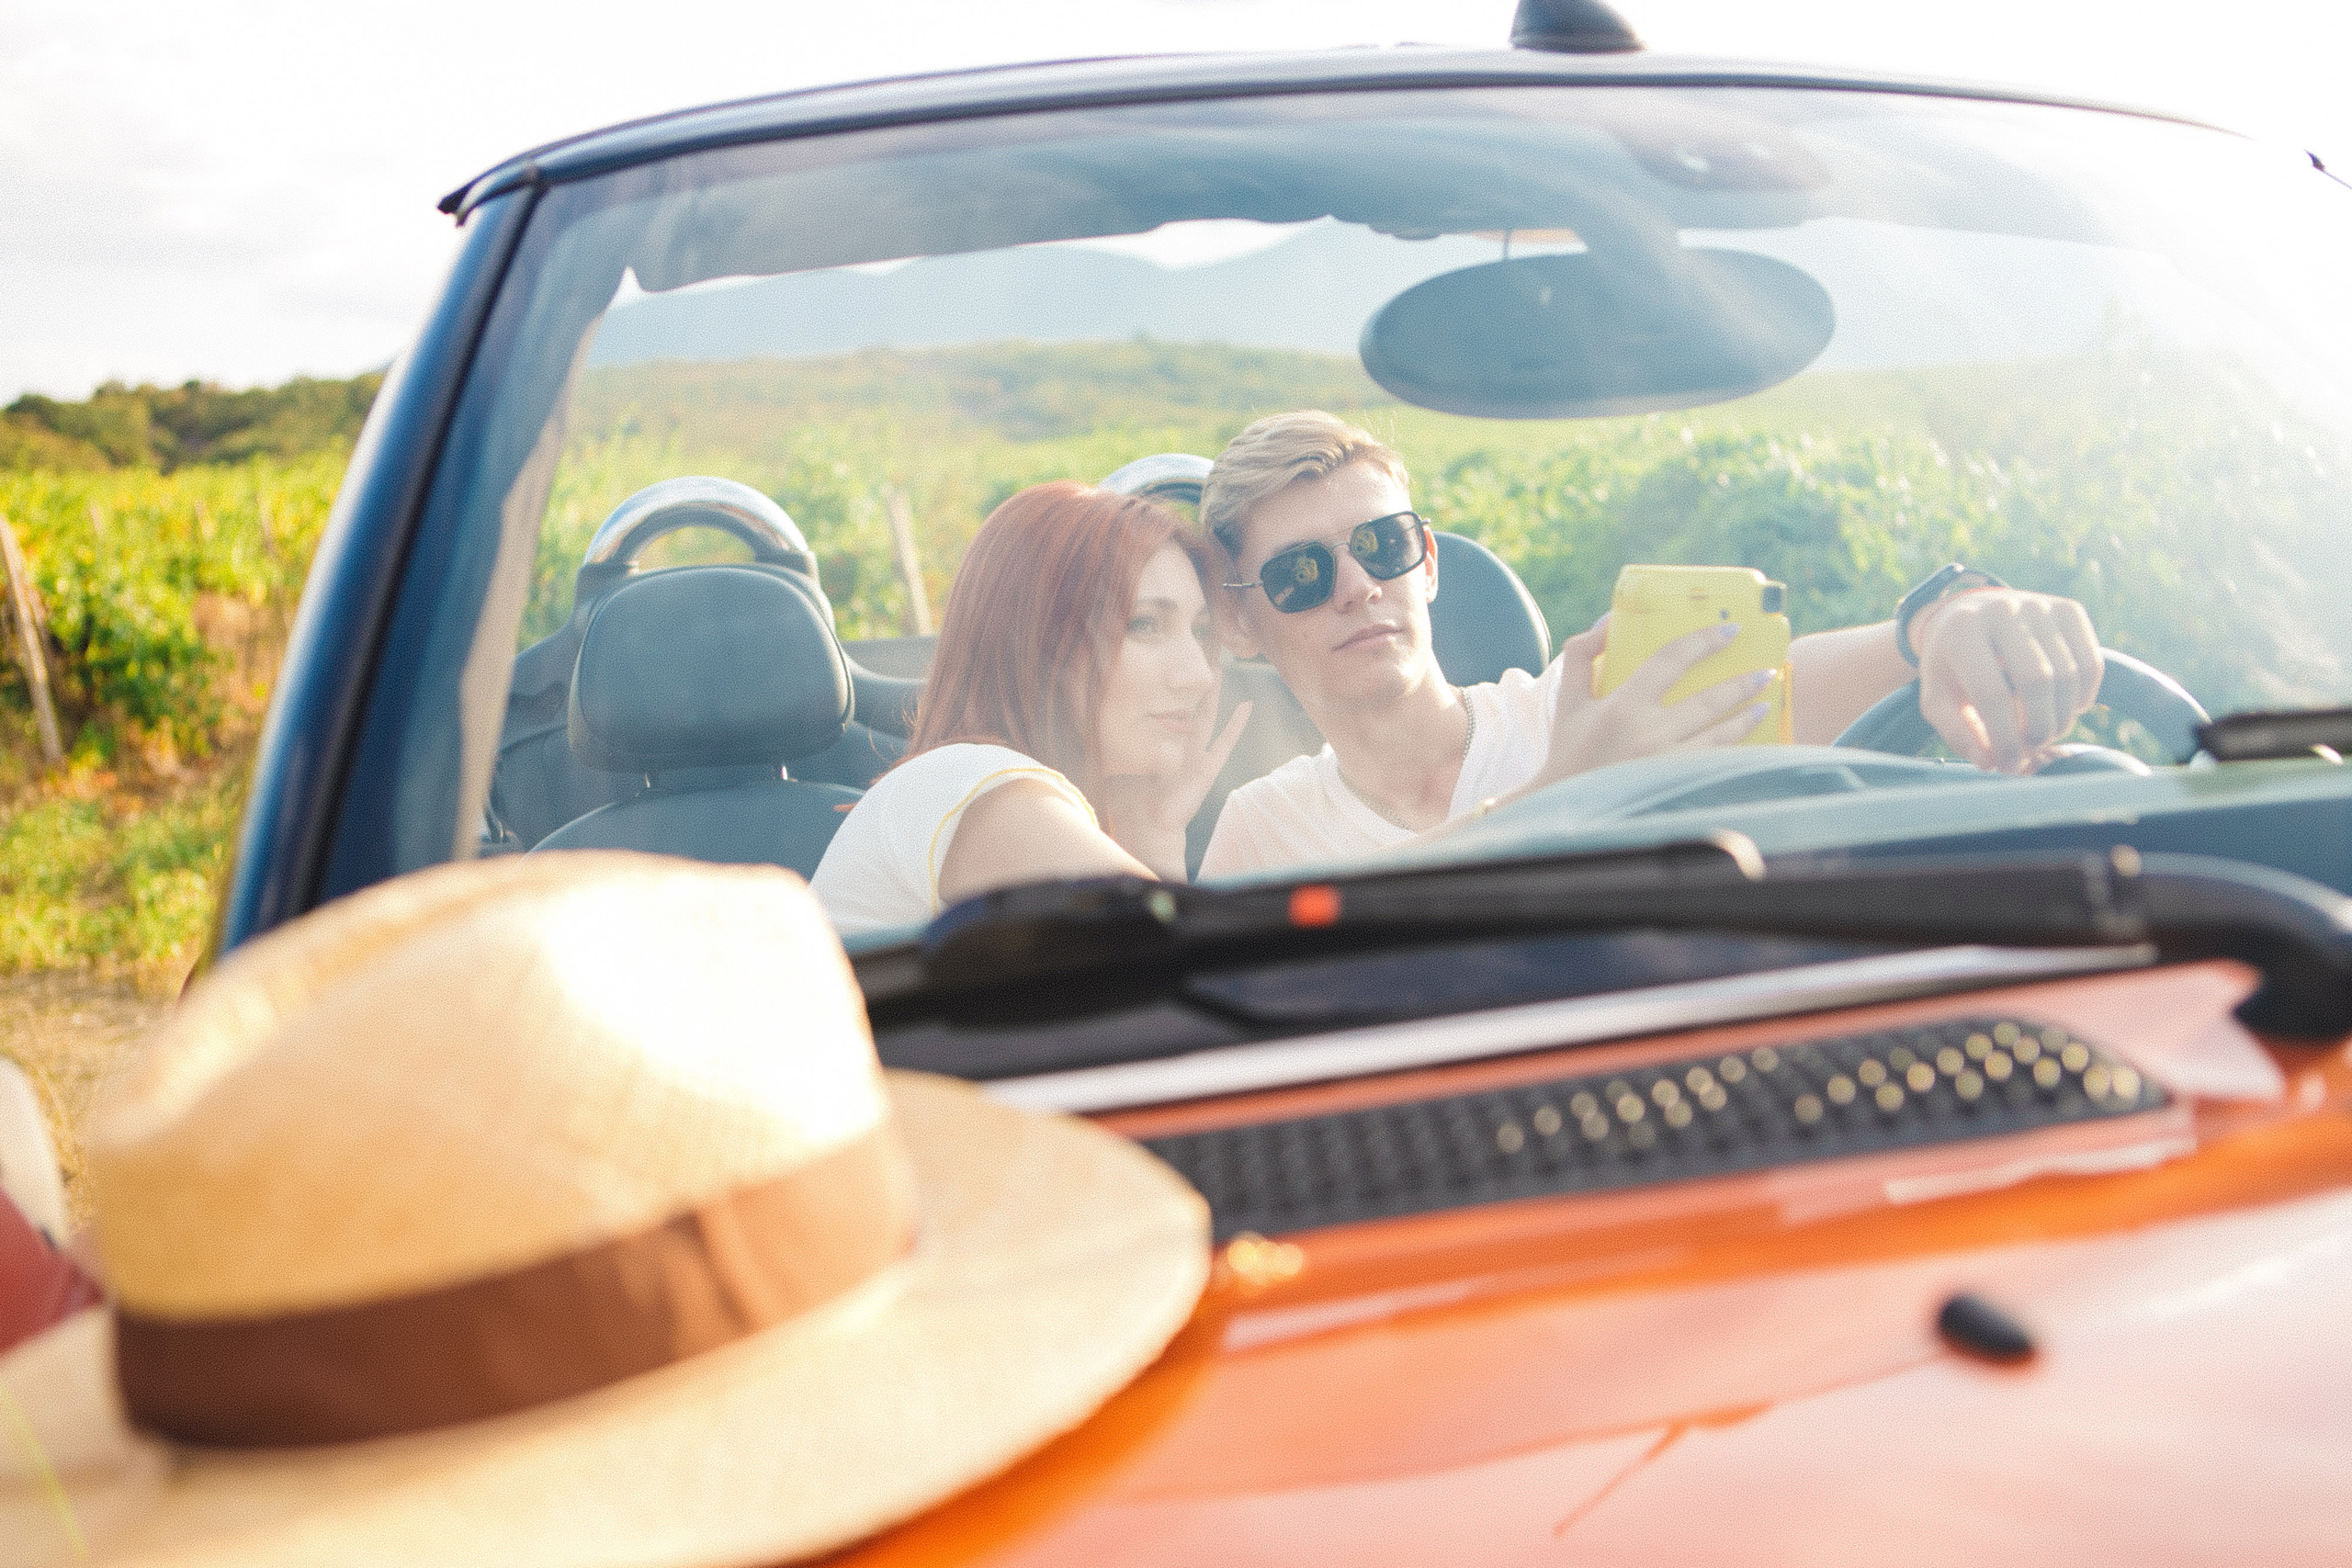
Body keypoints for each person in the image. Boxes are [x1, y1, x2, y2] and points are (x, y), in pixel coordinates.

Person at [1197, 411, 2105, 879]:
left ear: (1427, 561)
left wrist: (1946, 619)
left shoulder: (1585, 710)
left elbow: (1822, 679)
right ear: (1241, 624)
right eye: (1300, 576)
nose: (1358, 585)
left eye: (1382, 544)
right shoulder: (1261, 827)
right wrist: (1561, 798)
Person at [812, 481, 1250, 935]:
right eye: (1144, 625)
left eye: (1201, 631)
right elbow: (1192, 959)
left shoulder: (971, 789)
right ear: (1038, 640)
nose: (1199, 674)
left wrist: (1157, 838)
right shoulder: (981, 787)